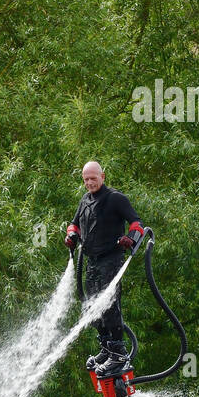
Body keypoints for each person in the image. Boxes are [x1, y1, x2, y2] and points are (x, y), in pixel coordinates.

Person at [64, 160, 144, 378]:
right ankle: (106, 348)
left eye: (93, 178)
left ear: (103, 177)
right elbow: (74, 224)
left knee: (108, 306)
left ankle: (118, 352)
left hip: (112, 259)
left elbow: (137, 222)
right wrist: (71, 235)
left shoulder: (116, 198)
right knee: (91, 307)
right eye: (86, 179)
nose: (89, 183)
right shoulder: (85, 201)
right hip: (92, 261)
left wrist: (131, 238)